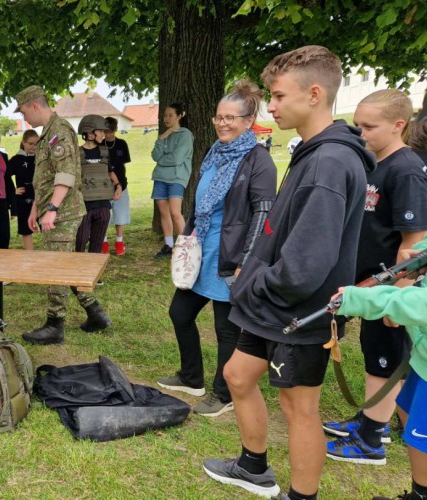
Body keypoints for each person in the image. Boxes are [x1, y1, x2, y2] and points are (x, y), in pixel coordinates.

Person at [203, 46, 374, 500]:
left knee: (299, 408)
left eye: (278, 97)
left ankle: (301, 496)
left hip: (301, 310)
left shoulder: (329, 163)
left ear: (314, 94)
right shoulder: (311, 152)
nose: (271, 107)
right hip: (270, 303)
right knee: (238, 375)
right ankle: (253, 467)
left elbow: (304, 266)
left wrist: (251, 280)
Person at [157, 80, 277, 418]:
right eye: (219, 117)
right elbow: (201, 202)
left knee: (226, 330)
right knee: (179, 313)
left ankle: (222, 393)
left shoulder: (258, 160)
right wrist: (189, 236)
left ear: (248, 120)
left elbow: (263, 215)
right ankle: (191, 376)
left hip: (231, 258)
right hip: (202, 253)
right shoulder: (214, 153)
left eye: (231, 118)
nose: (223, 123)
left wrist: (246, 261)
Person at [323, 89, 427, 466]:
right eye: (358, 124)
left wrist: (397, 297)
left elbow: (414, 242)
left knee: (383, 360)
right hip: (367, 286)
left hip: (389, 290)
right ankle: (370, 420)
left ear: (399, 125)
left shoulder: (407, 170)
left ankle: (371, 442)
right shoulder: (374, 162)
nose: (360, 133)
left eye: (370, 126)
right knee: (374, 356)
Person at [14, 85, 111, 345]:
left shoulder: (59, 131)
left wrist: (53, 209)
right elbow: (44, 178)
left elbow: (65, 174)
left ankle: (55, 324)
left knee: (54, 266)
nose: (24, 118)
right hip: (52, 210)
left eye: (24, 112)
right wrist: (37, 208)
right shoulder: (47, 133)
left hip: (63, 213)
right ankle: (95, 313)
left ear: (35, 105)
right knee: (65, 264)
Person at [334, 240, 427, 500]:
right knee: (412, 425)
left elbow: (419, 304)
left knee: (423, 437)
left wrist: (358, 298)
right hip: (423, 360)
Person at [151, 103, 193, 258]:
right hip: (160, 177)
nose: (166, 118)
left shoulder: (185, 135)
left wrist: (161, 160)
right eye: (165, 115)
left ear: (179, 116)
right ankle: (168, 245)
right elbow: (155, 155)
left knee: (175, 212)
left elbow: (177, 159)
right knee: (164, 212)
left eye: (170, 115)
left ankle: (186, 248)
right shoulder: (164, 135)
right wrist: (163, 137)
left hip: (177, 178)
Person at [75, 114, 121, 255]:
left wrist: (118, 185)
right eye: (100, 131)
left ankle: (94, 276)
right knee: (80, 243)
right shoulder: (77, 153)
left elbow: (109, 171)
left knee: (97, 245)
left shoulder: (105, 152)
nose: (103, 134)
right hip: (84, 206)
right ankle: (78, 274)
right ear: (89, 133)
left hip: (103, 206)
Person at [101, 116, 131, 255]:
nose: (108, 135)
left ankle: (119, 242)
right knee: (104, 215)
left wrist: (120, 183)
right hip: (104, 186)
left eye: (110, 132)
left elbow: (123, 164)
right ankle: (104, 242)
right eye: (106, 132)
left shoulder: (122, 144)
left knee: (120, 214)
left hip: (121, 185)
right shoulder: (100, 145)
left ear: (115, 130)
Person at [7, 130, 38, 250]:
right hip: (23, 199)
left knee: (46, 226)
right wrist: (12, 190)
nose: (34, 147)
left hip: (39, 197)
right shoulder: (16, 160)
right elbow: (5, 176)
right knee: (26, 229)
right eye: (31, 144)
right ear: (23, 143)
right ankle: (30, 254)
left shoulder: (40, 158)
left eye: (36, 144)